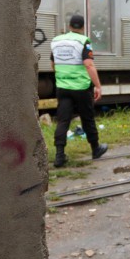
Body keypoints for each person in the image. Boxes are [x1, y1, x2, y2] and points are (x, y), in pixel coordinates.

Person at [50, 14, 107, 167]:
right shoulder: (83, 41)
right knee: (87, 118)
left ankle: (59, 156)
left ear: (69, 26)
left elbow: (53, 64)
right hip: (81, 87)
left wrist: (62, 77)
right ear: (82, 27)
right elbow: (89, 65)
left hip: (63, 87)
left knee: (63, 120)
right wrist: (98, 86)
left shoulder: (56, 41)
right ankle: (95, 149)